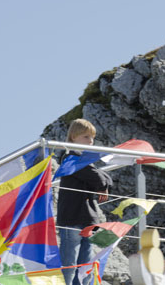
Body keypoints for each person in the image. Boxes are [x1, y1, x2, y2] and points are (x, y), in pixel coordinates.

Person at [57, 119, 112, 285]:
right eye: (86, 136)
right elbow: (97, 177)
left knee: (85, 265)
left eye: (92, 137)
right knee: (69, 263)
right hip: (72, 219)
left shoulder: (85, 161)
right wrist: (103, 184)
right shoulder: (70, 159)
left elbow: (104, 178)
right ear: (73, 137)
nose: (91, 141)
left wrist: (103, 184)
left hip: (88, 219)